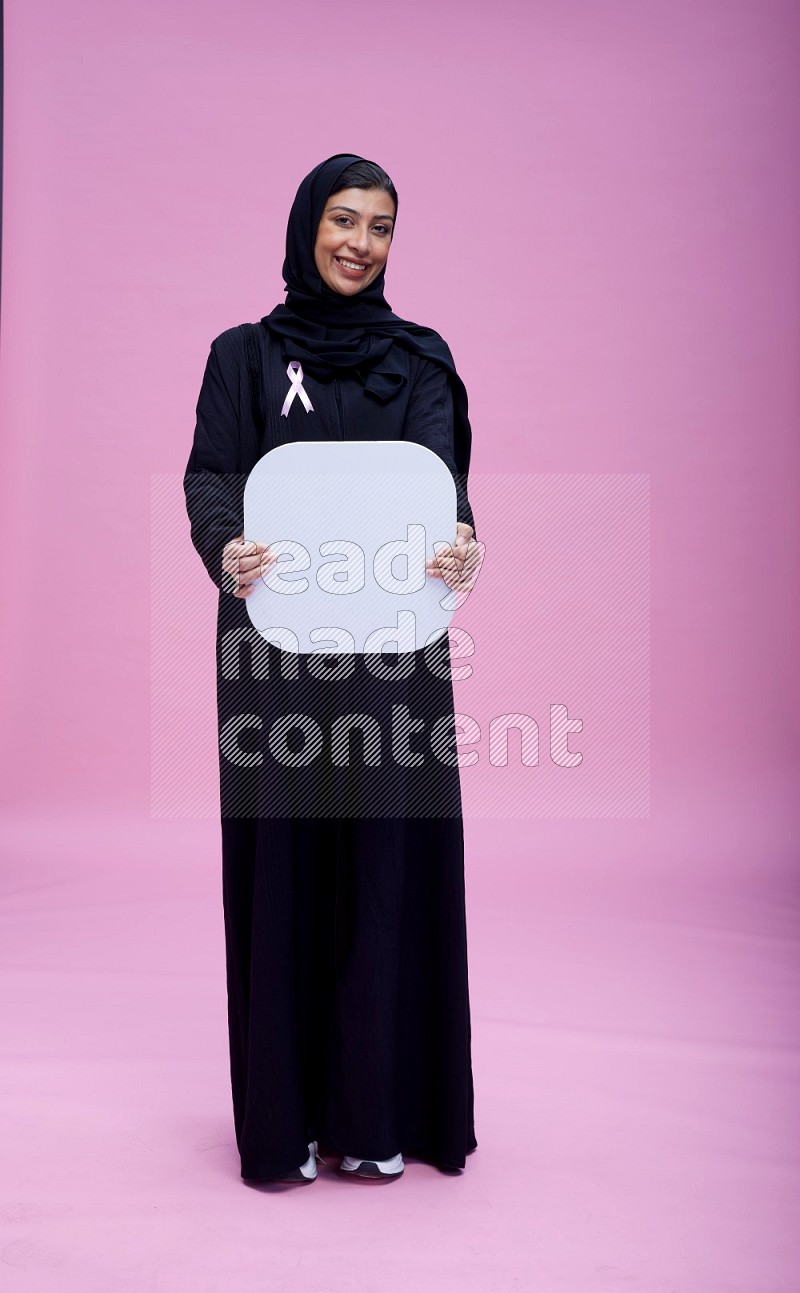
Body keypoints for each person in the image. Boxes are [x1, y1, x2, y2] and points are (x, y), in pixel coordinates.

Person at [183, 153, 481, 1184]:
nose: (360, 242)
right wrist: (224, 545)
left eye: (381, 226)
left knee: (388, 872)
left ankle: (379, 1116)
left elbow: (444, 494)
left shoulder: (422, 359)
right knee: (287, 871)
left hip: (395, 658)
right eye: (343, 220)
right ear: (307, 224)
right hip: (274, 657)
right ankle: (288, 1122)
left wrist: (462, 547)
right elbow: (212, 479)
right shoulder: (244, 357)